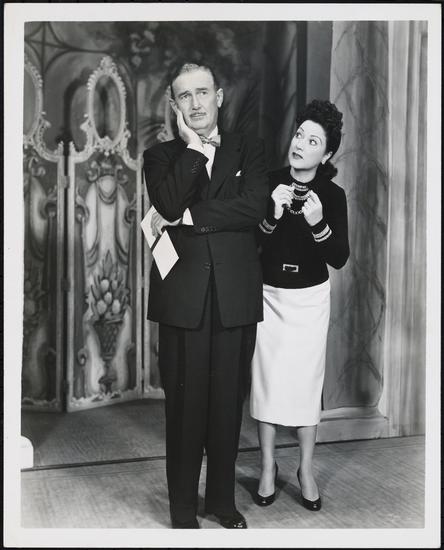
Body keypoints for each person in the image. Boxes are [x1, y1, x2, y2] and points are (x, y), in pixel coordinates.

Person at [143, 61, 269, 529]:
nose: (195, 103)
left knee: (226, 405)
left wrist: (194, 218)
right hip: (184, 299)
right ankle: (182, 509)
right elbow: (168, 204)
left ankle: (221, 501)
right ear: (174, 105)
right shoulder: (160, 157)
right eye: (184, 96)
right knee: (184, 408)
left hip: (235, 295)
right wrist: (194, 149)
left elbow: (254, 207)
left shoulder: (249, 148)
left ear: (219, 96)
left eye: (202, 92)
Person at [250, 99, 349, 511]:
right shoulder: (269, 182)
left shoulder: (333, 195)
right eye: (298, 135)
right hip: (268, 296)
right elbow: (250, 244)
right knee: (266, 382)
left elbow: (339, 257)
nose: (300, 145)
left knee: (306, 387)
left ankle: (306, 470)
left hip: (310, 301)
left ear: (325, 155)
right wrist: (271, 216)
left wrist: (318, 224)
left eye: (312, 141)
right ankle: (268, 468)